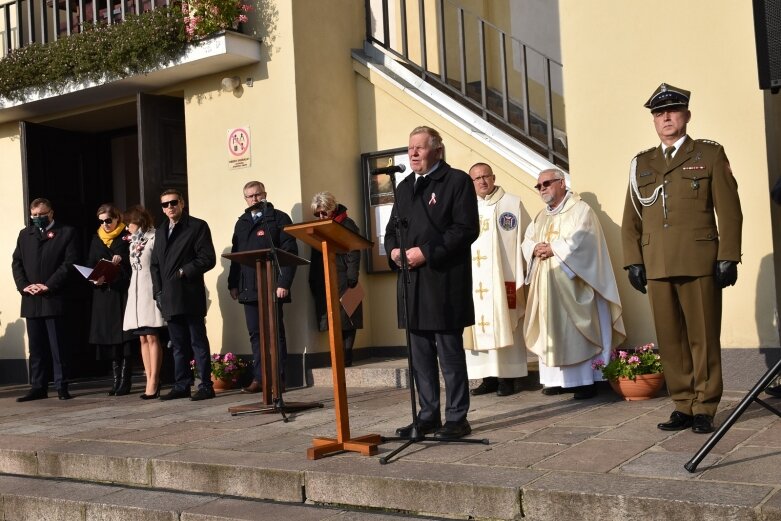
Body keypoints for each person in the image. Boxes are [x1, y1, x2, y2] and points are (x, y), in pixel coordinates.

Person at [621, 83, 742, 434]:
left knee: (703, 336)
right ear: (654, 121)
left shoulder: (709, 155)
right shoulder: (642, 163)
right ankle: (683, 404)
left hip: (699, 260)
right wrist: (633, 261)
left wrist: (729, 255)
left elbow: (730, 212)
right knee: (670, 338)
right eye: (659, 114)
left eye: (672, 111)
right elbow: (631, 218)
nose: (666, 118)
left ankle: (705, 405)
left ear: (686, 115)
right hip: (657, 264)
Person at [384, 125, 480, 440]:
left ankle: (457, 417)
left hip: (443, 282)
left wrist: (425, 252)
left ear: (436, 150)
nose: (412, 153)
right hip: (411, 284)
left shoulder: (456, 181)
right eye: (410, 148)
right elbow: (390, 231)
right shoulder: (404, 187)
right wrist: (393, 250)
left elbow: (465, 229)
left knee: (449, 353)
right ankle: (427, 416)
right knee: (420, 356)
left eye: (419, 148)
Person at [523, 169, 626, 399]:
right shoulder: (541, 216)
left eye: (547, 183)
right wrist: (534, 248)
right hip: (547, 286)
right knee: (551, 329)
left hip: (574, 283)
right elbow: (528, 239)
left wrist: (554, 249)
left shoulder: (581, 210)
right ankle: (556, 380)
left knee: (575, 330)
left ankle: (584, 382)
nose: (542, 189)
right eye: (538, 186)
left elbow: (584, 240)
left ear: (561, 183)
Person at [228, 181, 297, 393]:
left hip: (271, 286)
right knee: (255, 335)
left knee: (275, 334)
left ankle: (278, 379)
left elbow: (289, 252)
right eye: (249, 196)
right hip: (249, 287)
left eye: (257, 195)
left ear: (265, 194)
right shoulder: (242, 223)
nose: (254, 199)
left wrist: (283, 282)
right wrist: (233, 283)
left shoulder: (278, 218)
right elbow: (236, 255)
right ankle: (259, 378)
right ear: (245, 199)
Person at [466, 163, 527, 397]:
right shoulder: (465, 207)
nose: (482, 182)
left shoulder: (511, 203)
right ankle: (487, 378)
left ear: (493, 177)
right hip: (475, 280)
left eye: (485, 177)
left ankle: (507, 378)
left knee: (506, 321)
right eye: (476, 178)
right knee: (476, 324)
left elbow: (523, 239)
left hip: (504, 279)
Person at [151, 189, 217, 401]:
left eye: (173, 203)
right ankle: (182, 384)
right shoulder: (160, 231)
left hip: (188, 293)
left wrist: (184, 271)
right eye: (165, 205)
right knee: (178, 344)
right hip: (168, 297)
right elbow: (154, 265)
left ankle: (205, 385)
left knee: (197, 341)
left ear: (182, 203)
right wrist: (158, 292)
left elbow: (207, 258)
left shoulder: (197, 226)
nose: (169, 207)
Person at [12, 198, 79, 401]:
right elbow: (17, 263)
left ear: (51, 213)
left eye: (42, 215)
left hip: (52, 297)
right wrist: (25, 286)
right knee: (36, 347)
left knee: (57, 345)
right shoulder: (25, 235)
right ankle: (38, 386)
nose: (38, 219)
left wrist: (49, 284)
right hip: (32, 299)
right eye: (34, 216)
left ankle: (61, 386)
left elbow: (70, 263)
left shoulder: (66, 232)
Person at [308, 192, 362, 367]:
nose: (321, 217)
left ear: (332, 208)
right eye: (317, 214)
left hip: (344, 277)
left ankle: (346, 358)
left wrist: (352, 276)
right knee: (332, 318)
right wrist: (312, 279)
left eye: (323, 212)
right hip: (325, 277)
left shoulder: (347, 224)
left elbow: (354, 250)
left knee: (347, 318)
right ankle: (337, 357)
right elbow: (315, 254)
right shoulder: (320, 227)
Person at [87, 203, 134, 396]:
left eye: (109, 220)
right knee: (110, 340)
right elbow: (90, 264)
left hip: (121, 294)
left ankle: (126, 380)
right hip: (104, 295)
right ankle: (115, 380)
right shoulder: (96, 239)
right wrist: (94, 279)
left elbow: (136, 264)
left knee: (124, 338)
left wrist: (121, 262)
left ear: (117, 219)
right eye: (102, 221)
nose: (105, 224)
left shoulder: (127, 237)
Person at [123, 205, 166, 399]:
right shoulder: (133, 241)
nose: (126, 228)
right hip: (136, 291)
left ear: (138, 222)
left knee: (152, 335)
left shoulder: (154, 237)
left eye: (128, 224)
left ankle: (155, 379)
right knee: (142, 337)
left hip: (150, 289)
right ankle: (148, 376)